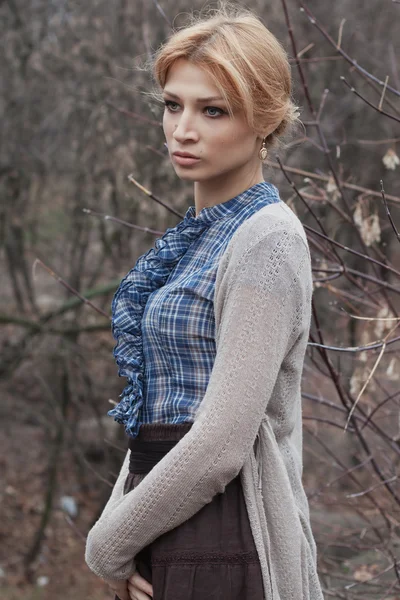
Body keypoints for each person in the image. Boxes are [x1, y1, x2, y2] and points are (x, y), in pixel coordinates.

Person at [85, 3, 325, 599]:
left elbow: (220, 443)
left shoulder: (267, 240)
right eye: (173, 105)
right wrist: (124, 533)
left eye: (212, 110)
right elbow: (159, 411)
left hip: (227, 532)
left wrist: (105, 545)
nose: (182, 129)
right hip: (165, 516)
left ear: (265, 121)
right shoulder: (197, 237)